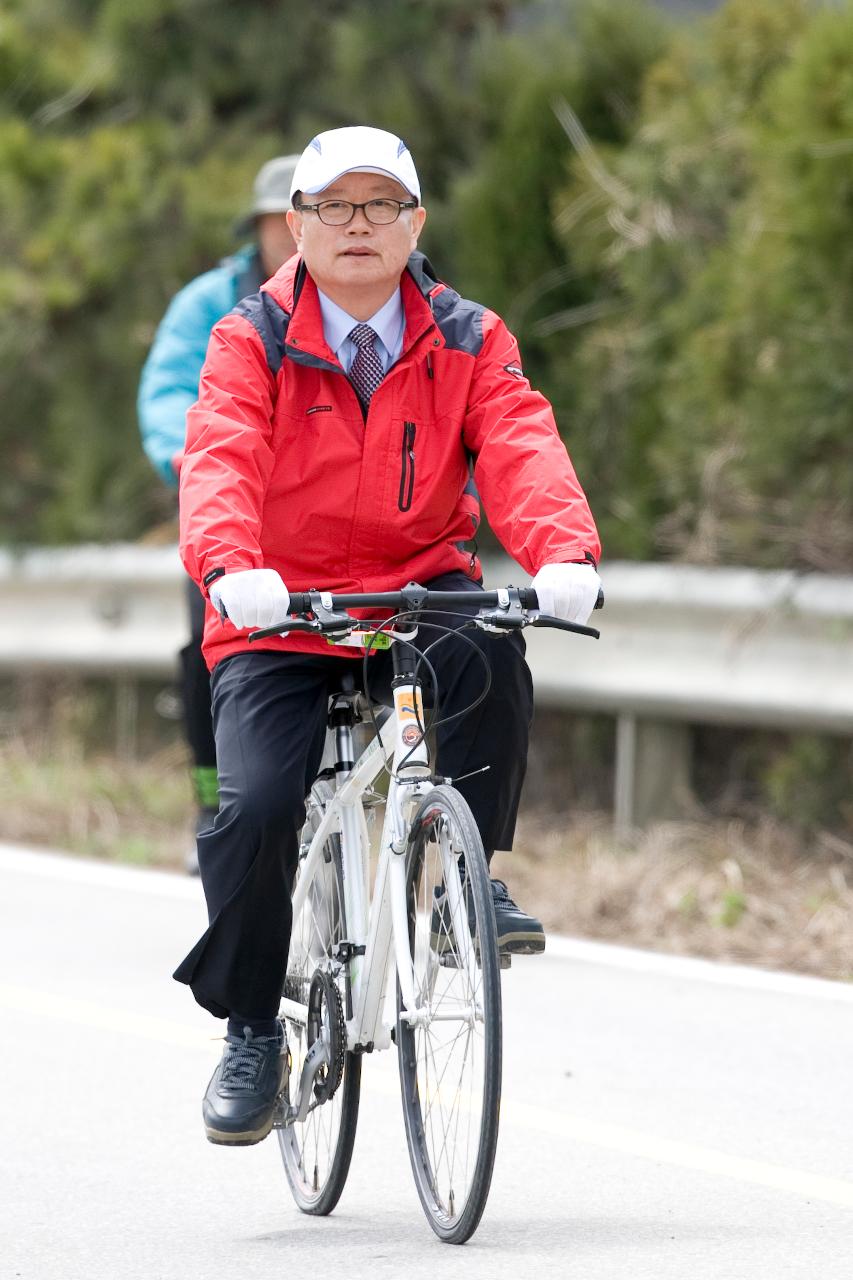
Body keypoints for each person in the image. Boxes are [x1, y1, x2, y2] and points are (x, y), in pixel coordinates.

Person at [175, 125, 602, 1146]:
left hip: (417, 593)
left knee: (493, 646)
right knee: (258, 806)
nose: (357, 225)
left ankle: (472, 876)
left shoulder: (467, 334)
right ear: (297, 226)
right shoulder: (253, 338)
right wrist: (234, 571)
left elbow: (518, 439)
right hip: (283, 611)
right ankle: (247, 1028)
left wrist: (564, 555)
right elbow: (220, 450)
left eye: (380, 205)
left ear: (416, 222)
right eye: (333, 205)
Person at [137, 155, 300, 870]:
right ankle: (212, 795)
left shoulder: (376, 300)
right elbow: (170, 388)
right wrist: (198, 460)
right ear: (260, 227)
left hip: (335, 519)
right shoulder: (211, 303)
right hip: (230, 509)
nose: (295, 237)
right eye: (282, 222)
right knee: (208, 656)